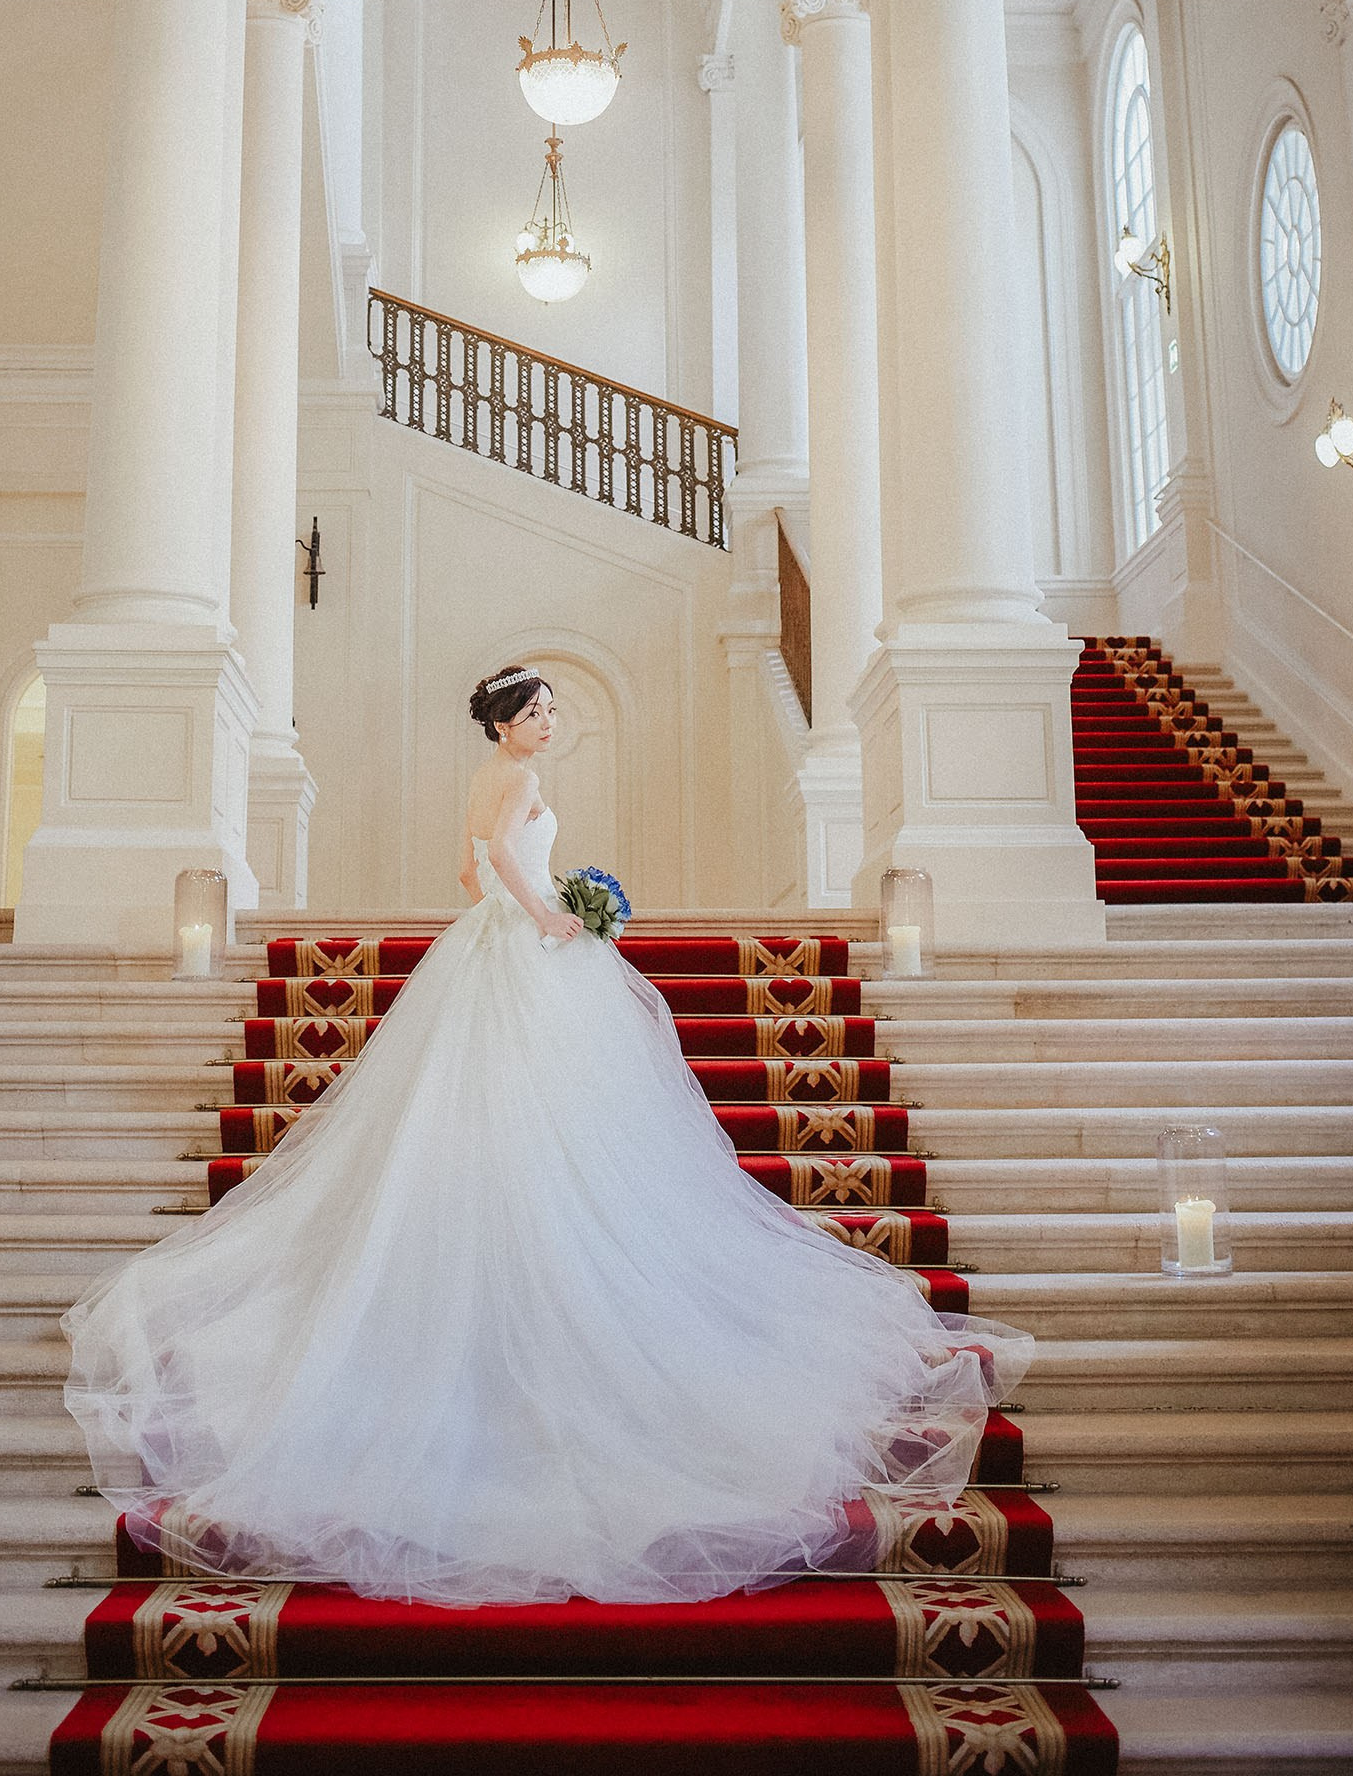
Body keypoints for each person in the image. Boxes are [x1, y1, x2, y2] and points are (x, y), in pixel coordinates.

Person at [62, 662, 1029, 1608]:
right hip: (523, 946)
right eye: (537, 708)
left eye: (555, 706)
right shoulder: (516, 780)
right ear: (505, 722)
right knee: (554, 1121)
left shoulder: (487, 779)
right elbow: (510, 868)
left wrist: (525, 901)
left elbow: (464, 867)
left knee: (493, 1119)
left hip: (482, 947)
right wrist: (555, 915)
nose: (550, 720)